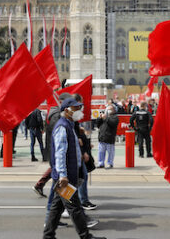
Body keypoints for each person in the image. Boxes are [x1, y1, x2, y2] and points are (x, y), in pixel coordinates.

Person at [43, 98, 105, 239]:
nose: (80, 111)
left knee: (56, 208)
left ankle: (48, 236)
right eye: (76, 108)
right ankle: (85, 236)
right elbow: (60, 154)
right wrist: (63, 175)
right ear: (67, 110)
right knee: (75, 208)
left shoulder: (69, 125)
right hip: (66, 177)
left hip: (68, 174)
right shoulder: (62, 127)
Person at [33, 93, 72, 198]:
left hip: (54, 149)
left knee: (56, 174)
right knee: (57, 176)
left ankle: (41, 187)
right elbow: (59, 137)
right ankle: (53, 204)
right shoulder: (57, 116)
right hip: (55, 149)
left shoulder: (57, 114)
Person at [97, 105, 118, 169]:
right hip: (102, 138)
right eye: (108, 109)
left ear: (114, 110)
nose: (108, 110)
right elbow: (98, 124)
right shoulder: (104, 116)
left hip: (110, 138)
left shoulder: (115, 117)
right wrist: (100, 118)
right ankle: (101, 163)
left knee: (110, 153)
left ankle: (110, 163)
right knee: (101, 152)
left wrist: (105, 118)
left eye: (110, 109)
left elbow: (113, 123)